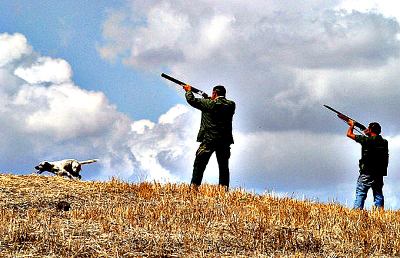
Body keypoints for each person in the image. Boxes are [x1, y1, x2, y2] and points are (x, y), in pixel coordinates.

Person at [183, 84, 235, 189]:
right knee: (224, 166)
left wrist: (188, 91)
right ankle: (223, 189)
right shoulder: (231, 104)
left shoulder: (208, 103)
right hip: (224, 140)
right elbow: (217, 105)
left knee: (199, 164)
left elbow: (192, 100)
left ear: (214, 93)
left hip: (209, 139)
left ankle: (194, 187)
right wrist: (208, 99)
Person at [346, 120, 388, 209]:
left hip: (366, 172)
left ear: (370, 130)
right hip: (379, 173)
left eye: (368, 128)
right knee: (378, 194)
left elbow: (349, 134)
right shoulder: (384, 142)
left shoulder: (365, 140)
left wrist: (352, 125)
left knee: (361, 192)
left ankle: (357, 213)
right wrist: (368, 132)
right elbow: (374, 139)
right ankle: (380, 214)